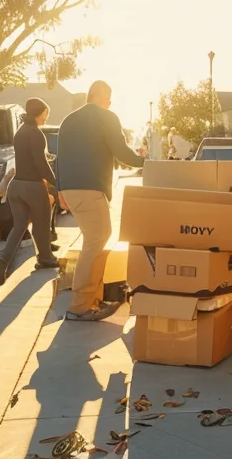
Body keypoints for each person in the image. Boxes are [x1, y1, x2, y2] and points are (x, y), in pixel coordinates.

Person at [57, 80, 146, 321]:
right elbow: (121, 151)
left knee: (95, 241)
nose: (110, 104)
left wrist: (60, 189)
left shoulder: (69, 120)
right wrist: (145, 162)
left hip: (73, 189)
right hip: (90, 188)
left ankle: (91, 300)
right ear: (101, 97)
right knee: (96, 241)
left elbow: (59, 158)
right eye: (109, 99)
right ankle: (80, 306)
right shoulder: (106, 117)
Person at [0, 98, 57, 284]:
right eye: (46, 114)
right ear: (41, 112)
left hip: (16, 186)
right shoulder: (36, 133)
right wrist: (55, 182)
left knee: (19, 227)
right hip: (33, 186)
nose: (46, 117)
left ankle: (1, 262)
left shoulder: (20, 132)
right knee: (42, 223)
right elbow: (40, 163)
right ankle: (45, 259)